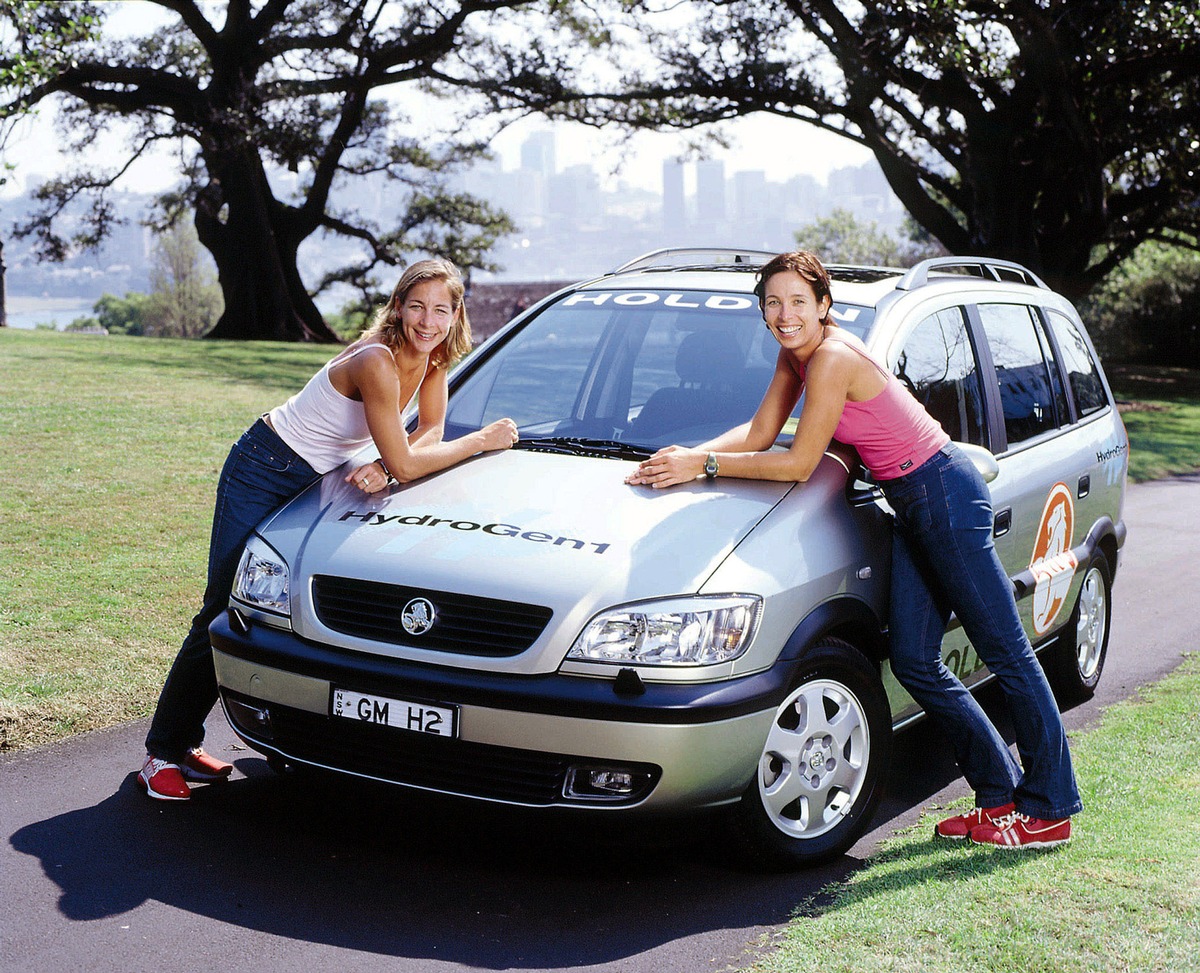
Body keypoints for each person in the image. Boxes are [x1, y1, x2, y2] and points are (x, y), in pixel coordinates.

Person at [625, 250, 1081, 850]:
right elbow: (761, 433)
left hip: (943, 494)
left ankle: (1049, 806)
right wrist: (682, 459)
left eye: (797, 302)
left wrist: (704, 465)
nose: (784, 314)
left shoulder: (834, 358)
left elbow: (797, 460)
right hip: (912, 503)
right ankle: (998, 799)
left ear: (823, 305)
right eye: (773, 302)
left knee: (1008, 651)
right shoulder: (796, 355)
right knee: (916, 662)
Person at [138, 258, 519, 801]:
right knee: (222, 606)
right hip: (262, 467)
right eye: (416, 306)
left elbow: (429, 430)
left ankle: (182, 739)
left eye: (440, 309)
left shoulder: (434, 359)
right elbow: (414, 460)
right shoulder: (377, 361)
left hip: (314, 477)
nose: (427, 321)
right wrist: (479, 441)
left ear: (456, 314)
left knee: (252, 607)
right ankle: (160, 755)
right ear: (399, 306)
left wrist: (386, 466)